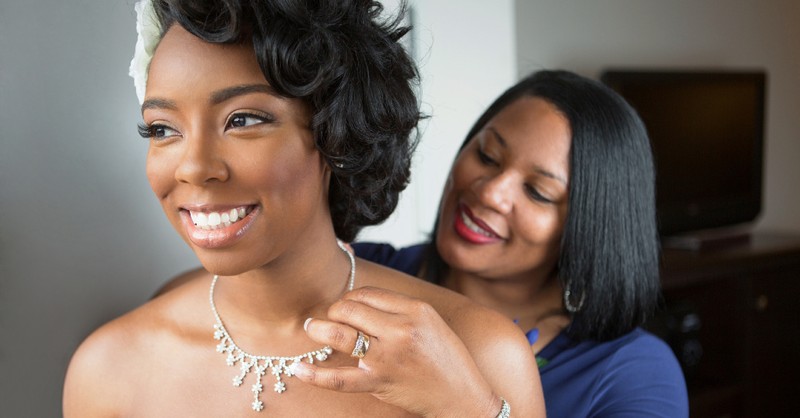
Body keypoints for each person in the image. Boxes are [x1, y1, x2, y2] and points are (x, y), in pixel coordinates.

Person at [62, 0, 544, 417]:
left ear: (335, 133)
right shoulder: (107, 370)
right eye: (162, 129)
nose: (193, 167)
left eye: (243, 119)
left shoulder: (480, 354)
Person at [354, 70, 690, 417]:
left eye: (537, 192)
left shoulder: (635, 374)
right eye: (487, 156)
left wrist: (469, 407)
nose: (489, 192)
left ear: (588, 228)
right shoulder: (358, 269)